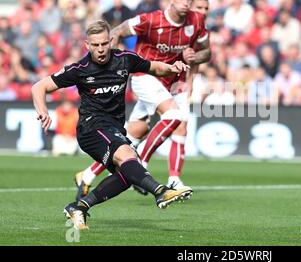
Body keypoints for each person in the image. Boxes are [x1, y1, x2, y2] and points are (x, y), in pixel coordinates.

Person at [31, 20, 192, 230]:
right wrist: (42, 110)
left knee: (126, 175)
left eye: (104, 44)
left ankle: (79, 206)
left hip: (114, 128)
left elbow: (155, 68)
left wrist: (172, 67)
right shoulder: (80, 69)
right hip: (91, 127)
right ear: (87, 45)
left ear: (111, 41)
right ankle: (161, 191)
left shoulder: (125, 60)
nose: (100, 49)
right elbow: (39, 87)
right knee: (128, 156)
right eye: (95, 45)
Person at [74, 0, 211, 200]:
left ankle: (88, 174)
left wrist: (196, 56)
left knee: (135, 132)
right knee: (175, 116)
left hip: (172, 81)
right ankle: (145, 165)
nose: (186, 3)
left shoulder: (196, 21)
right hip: (145, 76)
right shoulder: (151, 20)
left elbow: (207, 53)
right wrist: (112, 65)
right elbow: (118, 31)